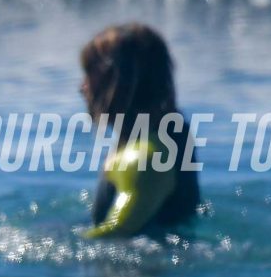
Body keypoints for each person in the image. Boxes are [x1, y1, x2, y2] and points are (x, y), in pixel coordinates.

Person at [78, 22, 201, 238]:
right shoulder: (168, 133)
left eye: (90, 73)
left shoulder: (145, 157)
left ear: (119, 83)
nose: (82, 87)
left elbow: (116, 232)